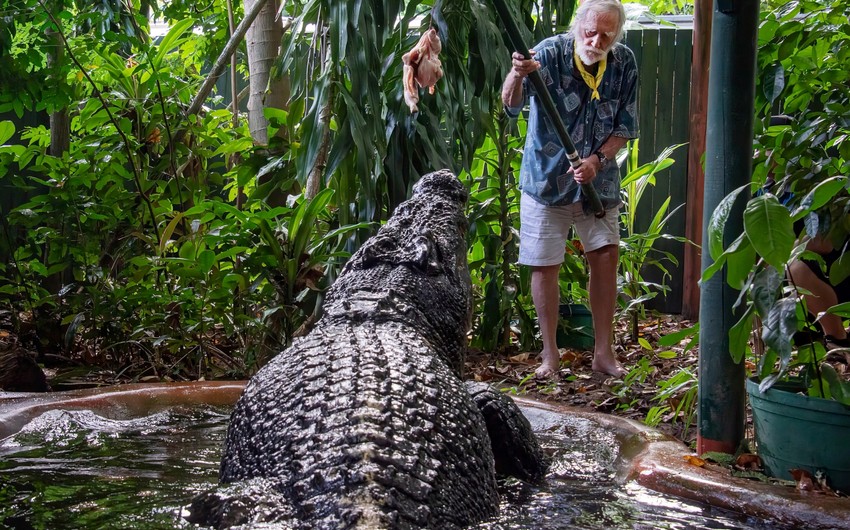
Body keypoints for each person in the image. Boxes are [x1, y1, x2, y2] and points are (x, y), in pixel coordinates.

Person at [501, 0, 639, 378]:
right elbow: (510, 105)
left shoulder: (624, 63)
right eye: (590, 32)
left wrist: (597, 160)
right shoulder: (547, 54)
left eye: (606, 35)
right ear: (578, 25)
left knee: (606, 256)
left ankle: (603, 354)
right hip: (546, 181)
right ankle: (549, 357)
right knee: (545, 264)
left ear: (617, 34)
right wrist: (517, 74)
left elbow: (625, 127)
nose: (596, 41)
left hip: (599, 182)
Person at [788, 234, 850, 350]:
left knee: (797, 268)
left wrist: (779, 250)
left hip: (837, 276)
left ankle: (837, 340)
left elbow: (824, 244)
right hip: (798, 306)